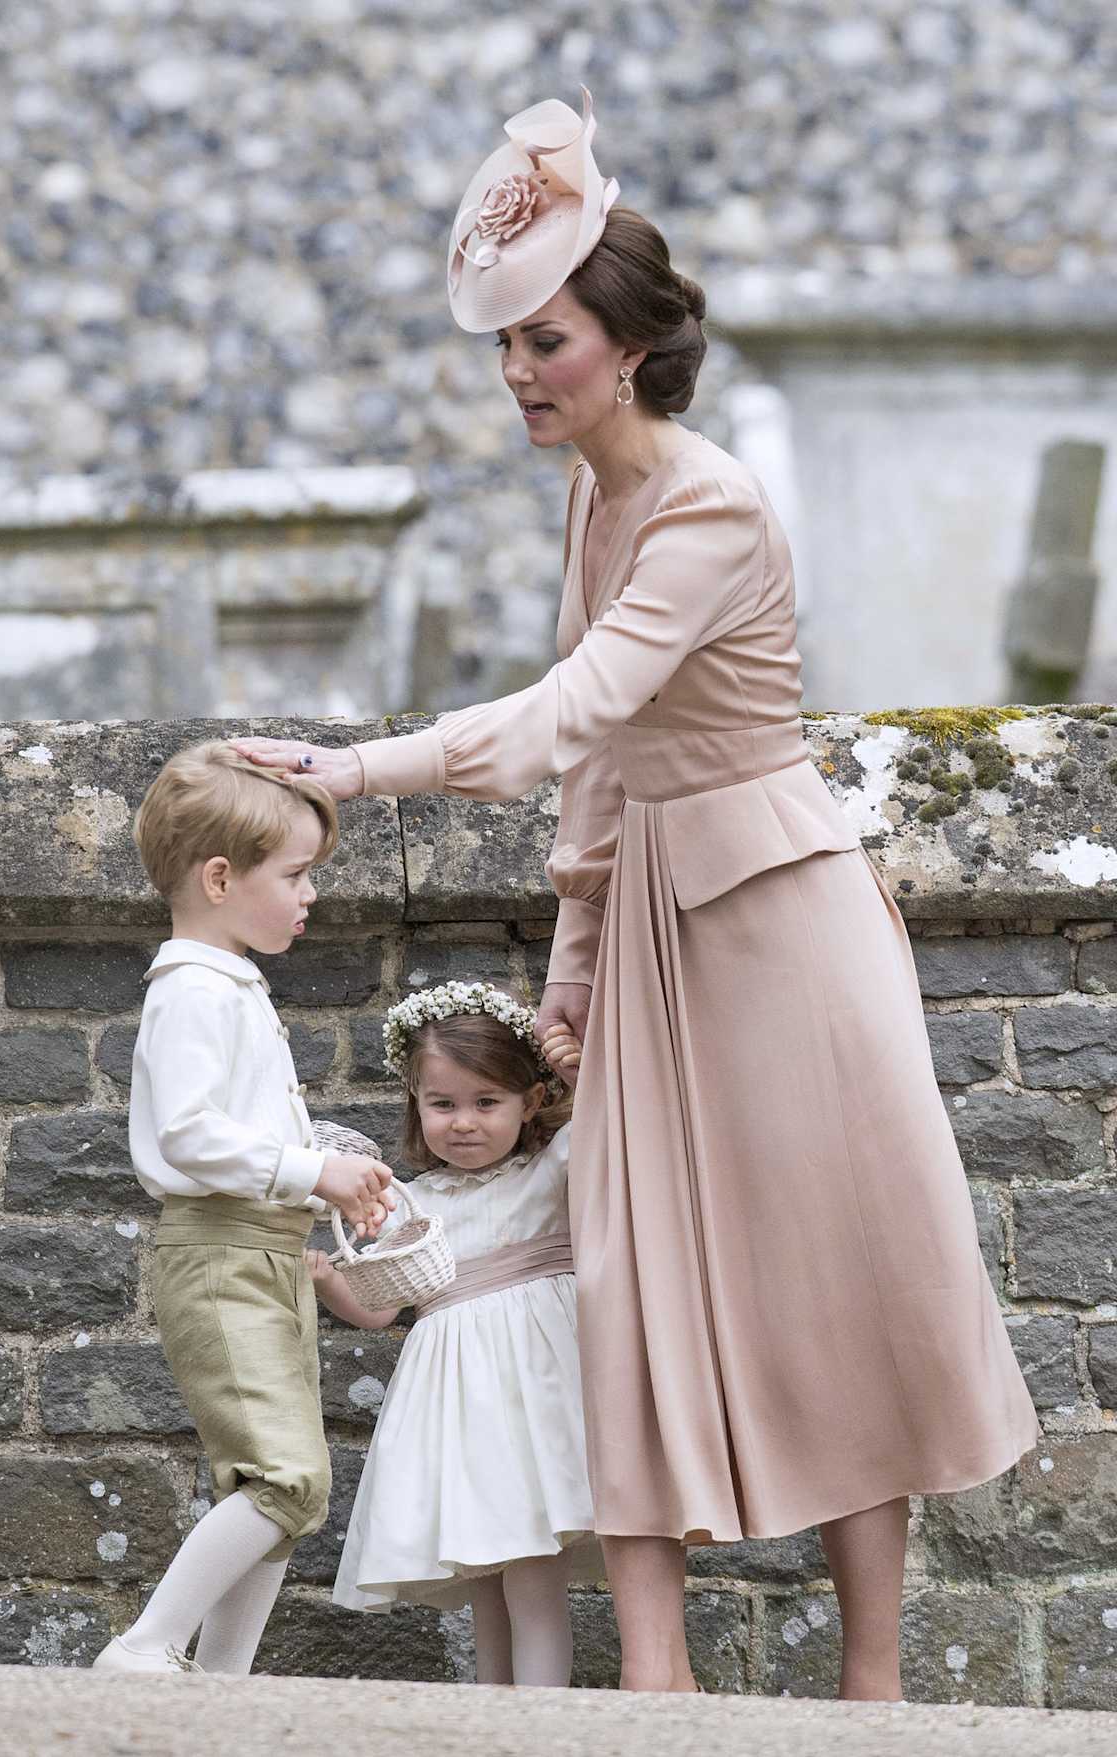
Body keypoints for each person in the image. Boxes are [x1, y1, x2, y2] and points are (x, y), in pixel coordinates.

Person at [233, 92, 1039, 1699]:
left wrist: (353, 767)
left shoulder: (711, 500)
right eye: (508, 347)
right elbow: (602, 792)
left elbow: (565, 716)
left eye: (547, 344)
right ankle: (655, 1689)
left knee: (836, 1285)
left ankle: (872, 1693)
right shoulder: (597, 498)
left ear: (631, 347)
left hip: (782, 925)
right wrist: (575, 981)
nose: (522, 374)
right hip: (660, 930)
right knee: (632, 1288)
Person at [92, 741, 395, 1676]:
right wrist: (309, 1168)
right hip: (222, 1255)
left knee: (284, 1488)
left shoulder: (225, 982)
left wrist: (328, 1156)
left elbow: (233, 1123)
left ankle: (224, 1680)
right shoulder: (192, 991)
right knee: (284, 1479)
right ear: (220, 877)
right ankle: (145, 1646)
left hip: (259, 1251)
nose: (311, 896)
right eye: (297, 875)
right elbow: (185, 1135)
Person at [309, 982, 598, 1687]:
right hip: (464, 1418)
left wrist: (578, 1073)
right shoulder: (416, 1199)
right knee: (488, 1586)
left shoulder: (550, 1171)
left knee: (533, 1576)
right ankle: (494, 1717)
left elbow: (611, 1117)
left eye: (486, 1102)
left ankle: (541, 1725)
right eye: (442, 1104)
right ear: (417, 1105)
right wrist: (325, 1277)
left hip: (537, 1402)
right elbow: (382, 1307)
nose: (463, 1122)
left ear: (530, 1102)